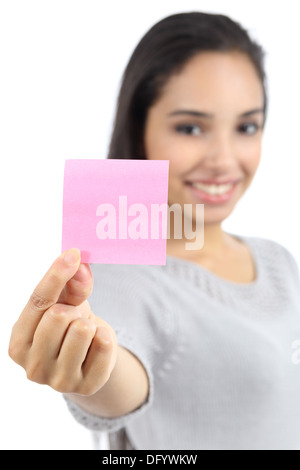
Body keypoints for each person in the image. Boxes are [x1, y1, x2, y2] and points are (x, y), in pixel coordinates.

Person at [9, 12, 300, 450]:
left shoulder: (277, 260)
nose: (224, 158)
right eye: (190, 128)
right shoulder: (121, 276)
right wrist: (92, 365)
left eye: (246, 126)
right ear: (139, 130)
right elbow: (120, 372)